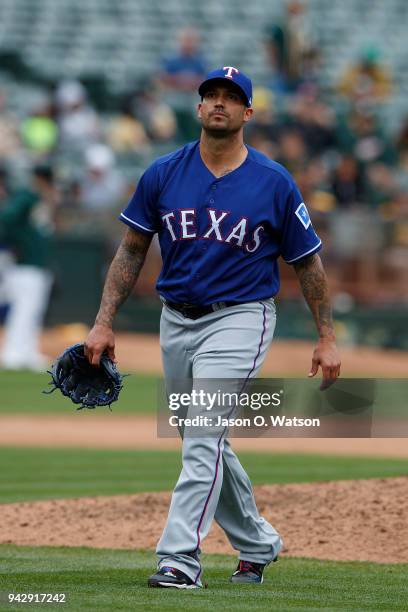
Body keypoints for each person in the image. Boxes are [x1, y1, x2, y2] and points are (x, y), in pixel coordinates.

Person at [84, 67, 341, 588]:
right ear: (199, 109)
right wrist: (102, 323)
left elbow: (308, 264)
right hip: (175, 319)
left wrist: (327, 336)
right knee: (203, 438)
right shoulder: (162, 172)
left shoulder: (274, 181)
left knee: (202, 435)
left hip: (242, 316)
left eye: (231, 97)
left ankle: (179, 559)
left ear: (248, 113)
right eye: (211, 96)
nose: (219, 103)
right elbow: (132, 249)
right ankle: (258, 542)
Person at [0, 165, 56, 370]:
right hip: (25, 265)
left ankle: (27, 351)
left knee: (32, 311)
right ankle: (13, 353)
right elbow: (6, 217)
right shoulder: (26, 196)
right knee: (24, 310)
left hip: (35, 264)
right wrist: (14, 243)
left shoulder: (37, 198)